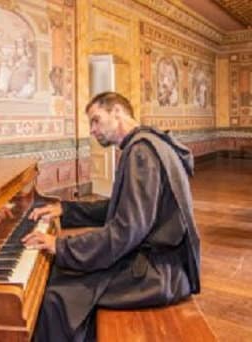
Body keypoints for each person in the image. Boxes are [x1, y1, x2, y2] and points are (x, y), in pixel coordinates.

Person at [22, 91, 201, 341]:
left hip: (157, 273)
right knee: (60, 277)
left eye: (96, 120)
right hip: (158, 264)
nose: (92, 130)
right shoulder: (148, 144)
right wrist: (68, 210)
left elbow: (125, 232)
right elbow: (121, 209)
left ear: (117, 111)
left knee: (54, 295)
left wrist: (61, 246)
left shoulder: (141, 152)